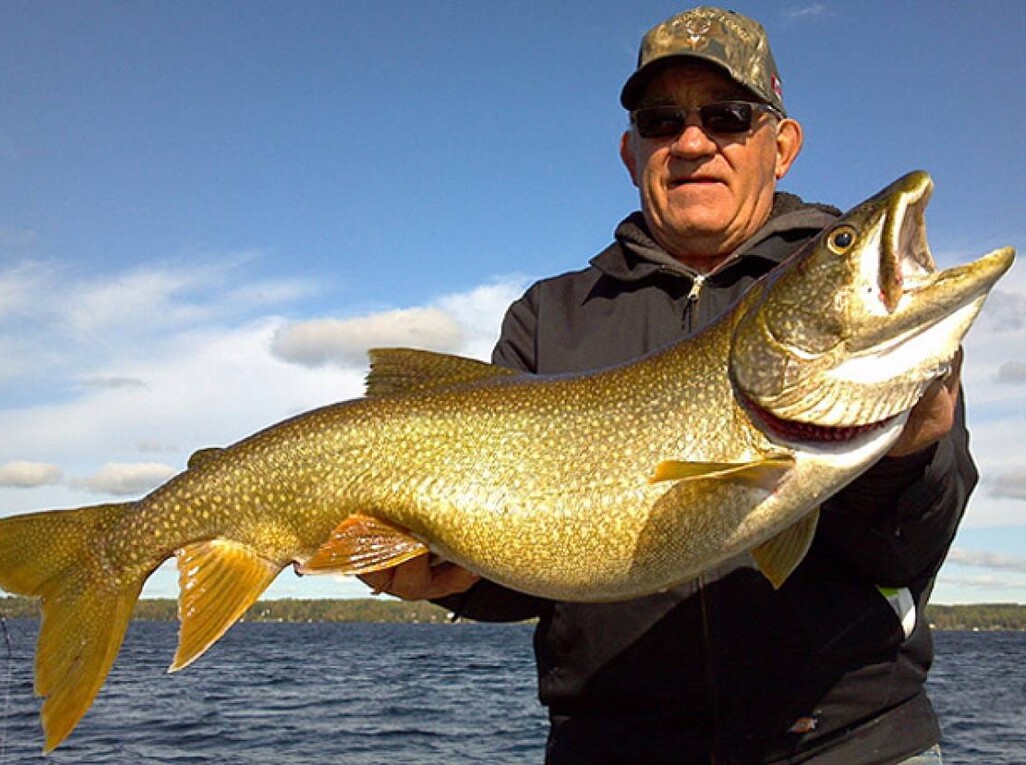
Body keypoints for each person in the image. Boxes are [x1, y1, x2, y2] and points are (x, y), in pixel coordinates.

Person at [357, 8, 973, 764]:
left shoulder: (863, 324)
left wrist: (909, 459)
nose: (691, 142)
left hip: (852, 744)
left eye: (728, 115)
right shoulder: (549, 317)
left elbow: (909, 550)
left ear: (782, 145)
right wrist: (443, 578)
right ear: (630, 150)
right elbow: (532, 577)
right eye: (661, 119)